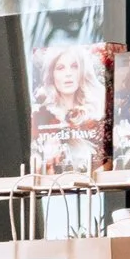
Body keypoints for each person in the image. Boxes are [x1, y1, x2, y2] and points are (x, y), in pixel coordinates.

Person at [31, 45, 106, 174]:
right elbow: (36, 169)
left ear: (82, 72)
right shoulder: (41, 117)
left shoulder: (97, 116)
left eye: (74, 66)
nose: (68, 74)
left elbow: (107, 165)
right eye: (60, 68)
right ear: (51, 74)